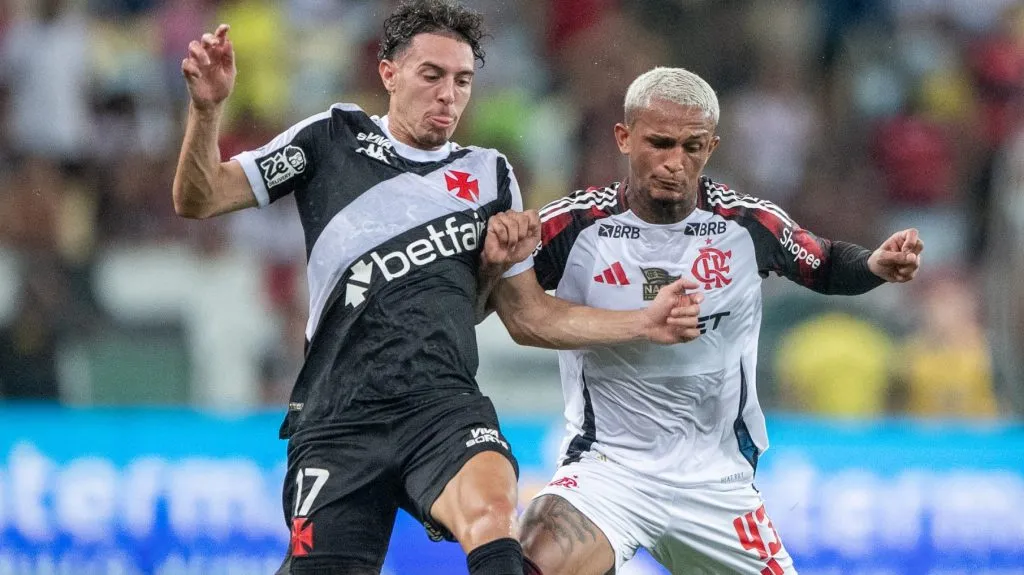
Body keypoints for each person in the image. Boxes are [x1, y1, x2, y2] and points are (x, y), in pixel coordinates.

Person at [172, 3, 702, 574]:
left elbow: (529, 319)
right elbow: (199, 199)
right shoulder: (331, 138)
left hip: (441, 407)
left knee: (495, 514)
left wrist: (643, 321)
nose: (449, 94)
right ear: (388, 74)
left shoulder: (489, 173)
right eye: (432, 75)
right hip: (339, 416)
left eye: (463, 80)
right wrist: (208, 109)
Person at [497, 67, 924, 575]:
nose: (676, 162)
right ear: (624, 137)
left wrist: (874, 265)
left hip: (716, 485)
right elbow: (513, 307)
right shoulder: (573, 228)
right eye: (659, 143)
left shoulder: (747, 224)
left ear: (712, 147)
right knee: (525, 566)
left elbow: (823, 262)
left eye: (692, 146)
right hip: (609, 469)